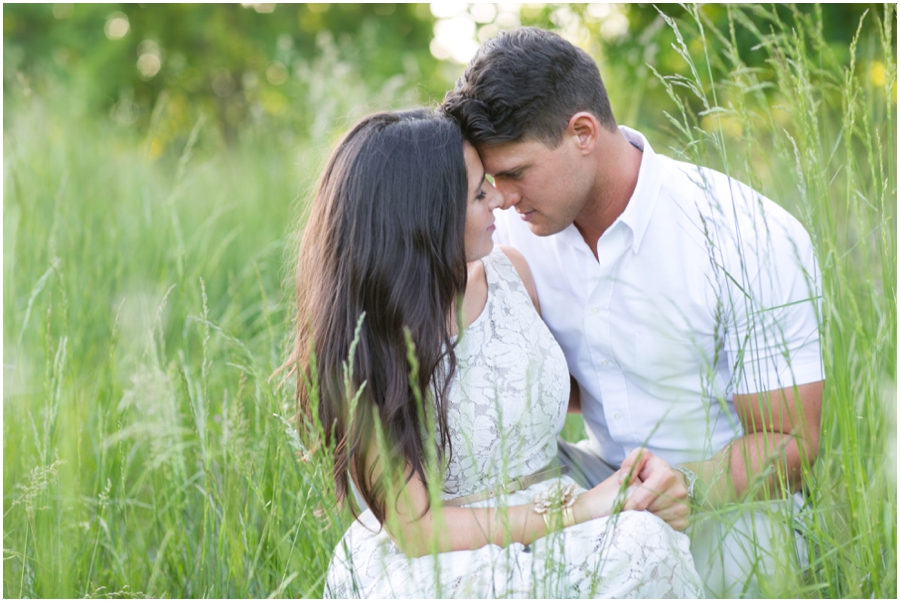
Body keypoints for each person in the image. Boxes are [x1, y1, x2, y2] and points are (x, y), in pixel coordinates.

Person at [442, 27, 824, 597]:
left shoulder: (747, 234)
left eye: (516, 173)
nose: (501, 197)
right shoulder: (514, 242)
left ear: (582, 134)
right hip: (597, 477)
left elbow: (794, 441)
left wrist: (685, 486)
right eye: (491, 180)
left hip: (727, 497)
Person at [286, 108, 703, 598]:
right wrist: (580, 511)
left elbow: (559, 391)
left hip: (559, 503)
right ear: (424, 221)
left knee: (643, 543)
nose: (499, 200)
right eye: (478, 193)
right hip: (449, 549)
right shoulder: (364, 345)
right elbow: (418, 530)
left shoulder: (513, 273)